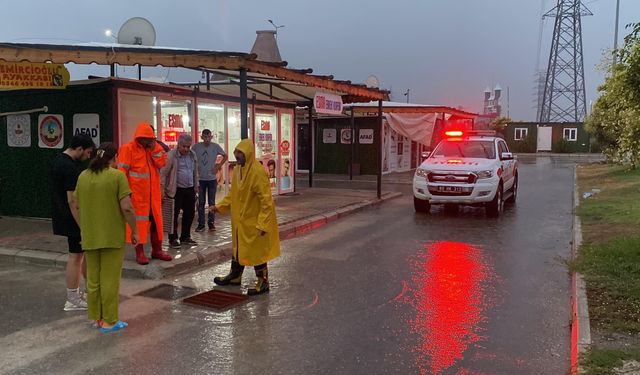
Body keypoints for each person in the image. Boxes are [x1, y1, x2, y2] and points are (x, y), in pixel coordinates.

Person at [72, 142, 137, 333]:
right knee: (110, 280)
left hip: (90, 235)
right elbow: (127, 207)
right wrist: (135, 230)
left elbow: (75, 203)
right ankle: (109, 320)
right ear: (114, 158)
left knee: (93, 279)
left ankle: (96, 317)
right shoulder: (117, 177)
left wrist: (85, 225)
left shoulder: (83, 176)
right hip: (111, 236)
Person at [211, 139, 280, 295]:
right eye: (236, 153)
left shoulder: (258, 172)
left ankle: (263, 282)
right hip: (240, 221)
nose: (237, 156)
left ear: (248, 154)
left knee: (257, 251)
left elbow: (266, 201)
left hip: (254, 220)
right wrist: (219, 207)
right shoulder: (238, 170)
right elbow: (233, 195)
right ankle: (235, 276)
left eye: (240, 153)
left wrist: (263, 224)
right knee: (238, 248)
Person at [50, 133, 95, 311]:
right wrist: (82, 225)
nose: (88, 156)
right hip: (71, 217)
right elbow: (72, 200)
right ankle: (73, 298)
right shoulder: (69, 168)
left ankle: (82, 292)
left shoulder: (57, 161)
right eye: (88, 152)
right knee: (75, 256)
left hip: (62, 214)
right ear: (79, 149)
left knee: (78, 255)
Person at [117, 122, 172, 265]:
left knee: (156, 224)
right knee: (138, 225)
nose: (149, 141)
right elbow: (121, 173)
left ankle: (157, 250)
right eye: (147, 139)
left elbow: (162, 163)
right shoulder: (127, 149)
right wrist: (124, 194)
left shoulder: (154, 148)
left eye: (151, 139)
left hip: (153, 196)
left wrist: (154, 149)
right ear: (140, 138)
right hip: (137, 196)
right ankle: (139, 253)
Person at [161, 133, 199, 248]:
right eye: (184, 147)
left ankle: (185, 237)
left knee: (190, 214)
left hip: (189, 189)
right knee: (173, 215)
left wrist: (196, 186)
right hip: (175, 190)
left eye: (188, 146)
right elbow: (163, 173)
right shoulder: (171, 156)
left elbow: (195, 171)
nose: (186, 149)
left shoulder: (192, 155)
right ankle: (173, 239)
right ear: (179, 144)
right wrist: (161, 189)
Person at [192, 129, 227, 232]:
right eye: (205, 137)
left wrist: (218, 166)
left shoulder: (215, 146)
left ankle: (211, 223)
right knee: (201, 202)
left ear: (211, 137)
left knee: (212, 202)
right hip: (201, 179)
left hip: (212, 179)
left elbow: (225, 156)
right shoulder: (196, 147)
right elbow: (190, 157)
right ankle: (201, 223)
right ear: (202, 137)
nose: (207, 139)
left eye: (209, 137)